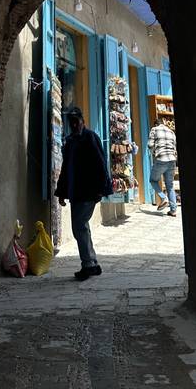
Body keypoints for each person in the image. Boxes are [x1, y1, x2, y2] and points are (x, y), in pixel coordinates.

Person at [55, 107, 113, 281]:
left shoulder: (90, 137)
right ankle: (92, 264)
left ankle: (88, 264)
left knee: (80, 226)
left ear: (83, 121)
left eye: (76, 121)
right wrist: (62, 192)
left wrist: (101, 189)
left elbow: (100, 164)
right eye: (71, 122)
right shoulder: (71, 141)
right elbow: (66, 169)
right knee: (80, 227)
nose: (74, 124)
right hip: (77, 192)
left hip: (88, 191)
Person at [147, 120, 178, 217]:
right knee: (170, 186)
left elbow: (150, 145)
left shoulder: (154, 129)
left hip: (161, 159)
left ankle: (163, 198)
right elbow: (174, 146)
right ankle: (173, 210)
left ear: (155, 124)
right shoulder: (171, 132)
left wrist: (154, 152)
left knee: (153, 180)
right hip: (172, 160)